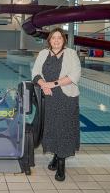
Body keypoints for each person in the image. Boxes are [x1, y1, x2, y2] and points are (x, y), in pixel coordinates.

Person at [31, 27, 81, 181]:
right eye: (54, 38)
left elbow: (75, 75)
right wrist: (43, 85)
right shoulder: (43, 53)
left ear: (63, 40)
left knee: (64, 129)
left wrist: (52, 84)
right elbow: (35, 73)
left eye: (59, 37)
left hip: (66, 98)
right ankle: (55, 156)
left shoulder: (71, 53)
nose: (57, 40)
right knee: (52, 128)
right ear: (50, 40)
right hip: (49, 98)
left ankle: (61, 164)